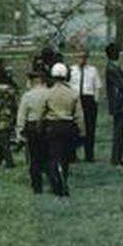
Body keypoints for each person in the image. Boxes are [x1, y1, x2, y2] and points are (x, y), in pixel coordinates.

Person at [41, 62, 85, 197]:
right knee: (65, 157)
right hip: (68, 127)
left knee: (53, 156)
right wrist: (82, 131)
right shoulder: (73, 93)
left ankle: (56, 185)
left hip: (53, 126)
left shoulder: (47, 93)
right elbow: (79, 115)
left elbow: (42, 111)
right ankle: (64, 179)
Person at [16, 61, 49, 192]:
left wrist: (19, 131)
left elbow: (21, 115)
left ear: (33, 81)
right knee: (47, 155)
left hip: (32, 127)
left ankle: (37, 186)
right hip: (47, 126)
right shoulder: (49, 93)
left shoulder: (27, 96)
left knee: (34, 157)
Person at [67, 50, 101, 162]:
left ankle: (89, 155)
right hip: (76, 99)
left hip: (88, 99)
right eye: (79, 57)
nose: (82, 59)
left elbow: (97, 87)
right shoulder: (71, 70)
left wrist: (95, 101)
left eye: (84, 57)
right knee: (74, 127)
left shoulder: (92, 70)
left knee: (90, 128)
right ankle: (72, 155)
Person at [104, 43, 123, 167]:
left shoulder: (116, 67)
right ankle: (116, 159)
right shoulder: (111, 68)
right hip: (119, 104)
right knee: (119, 133)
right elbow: (122, 85)